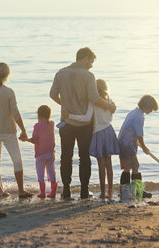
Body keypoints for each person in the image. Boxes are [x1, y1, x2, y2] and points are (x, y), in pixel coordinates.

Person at [50, 47, 116, 199]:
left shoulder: (60, 73)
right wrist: (110, 107)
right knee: (83, 157)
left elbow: (52, 94)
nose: (91, 65)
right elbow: (94, 98)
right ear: (84, 58)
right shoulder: (88, 76)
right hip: (84, 126)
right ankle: (84, 191)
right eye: (91, 62)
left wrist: (65, 105)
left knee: (65, 157)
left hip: (66, 123)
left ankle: (66, 190)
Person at [0, 62, 33, 198]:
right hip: (7, 131)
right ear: (7, 74)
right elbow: (15, 112)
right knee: (17, 160)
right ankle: (21, 190)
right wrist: (23, 129)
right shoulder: (9, 92)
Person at [63, 79, 119, 199]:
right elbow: (111, 115)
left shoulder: (93, 102)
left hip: (98, 133)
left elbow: (86, 118)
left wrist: (70, 116)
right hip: (109, 131)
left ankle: (103, 192)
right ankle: (110, 191)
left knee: (101, 164)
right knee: (109, 163)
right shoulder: (110, 100)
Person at [118, 94, 159, 200]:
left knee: (130, 167)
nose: (151, 111)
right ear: (147, 106)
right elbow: (139, 134)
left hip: (125, 142)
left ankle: (131, 191)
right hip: (127, 144)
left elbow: (134, 132)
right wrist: (144, 147)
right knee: (133, 167)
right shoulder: (139, 116)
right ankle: (129, 192)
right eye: (151, 109)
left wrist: (138, 143)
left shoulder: (134, 112)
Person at [20, 105, 58, 198]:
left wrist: (26, 139)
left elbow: (35, 140)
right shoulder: (52, 124)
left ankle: (42, 193)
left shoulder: (37, 126)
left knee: (40, 173)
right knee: (51, 171)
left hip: (40, 154)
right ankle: (53, 192)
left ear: (39, 115)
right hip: (50, 153)